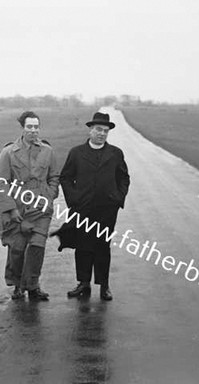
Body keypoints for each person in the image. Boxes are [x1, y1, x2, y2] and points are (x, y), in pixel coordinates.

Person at [56, 111, 130, 301]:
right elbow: (65, 178)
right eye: (98, 129)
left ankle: (104, 286)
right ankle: (83, 283)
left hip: (107, 210)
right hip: (82, 209)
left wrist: (117, 199)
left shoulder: (115, 153)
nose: (102, 134)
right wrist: (73, 199)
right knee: (82, 247)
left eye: (105, 131)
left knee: (102, 247)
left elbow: (124, 178)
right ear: (90, 130)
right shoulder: (76, 153)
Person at [0, 111, 60, 301]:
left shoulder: (48, 151)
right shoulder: (8, 152)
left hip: (41, 209)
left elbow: (54, 177)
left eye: (36, 127)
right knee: (17, 248)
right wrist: (12, 209)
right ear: (23, 128)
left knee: (37, 247)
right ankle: (17, 284)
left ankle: (33, 285)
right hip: (18, 207)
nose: (33, 130)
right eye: (29, 127)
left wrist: (48, 197)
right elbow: (1, 183)